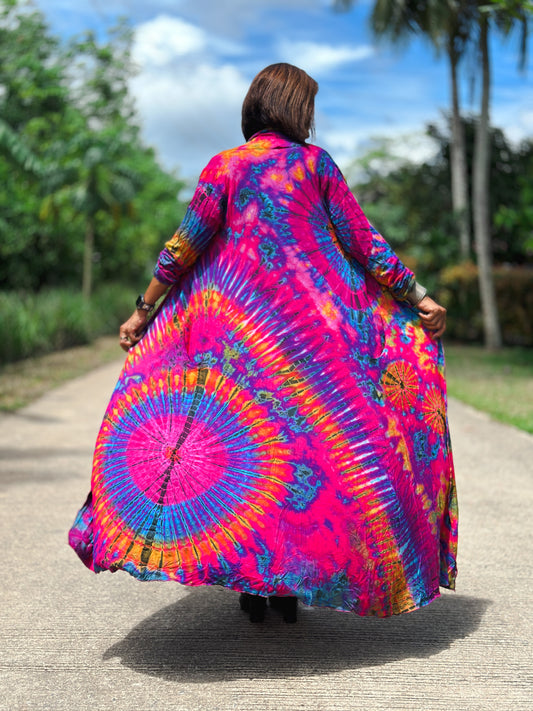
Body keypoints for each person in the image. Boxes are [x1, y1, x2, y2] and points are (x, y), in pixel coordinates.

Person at [69, 63, 457, 624]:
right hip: (311, 343)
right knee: (304, 455)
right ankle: (287, 585)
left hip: (239, 345)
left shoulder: (224, 167)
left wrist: (143, 310)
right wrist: (416, 296)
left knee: (250, 455)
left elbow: (184, 246)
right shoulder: (316, 166)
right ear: (295, 109)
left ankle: (257, 585)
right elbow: (364, 242)